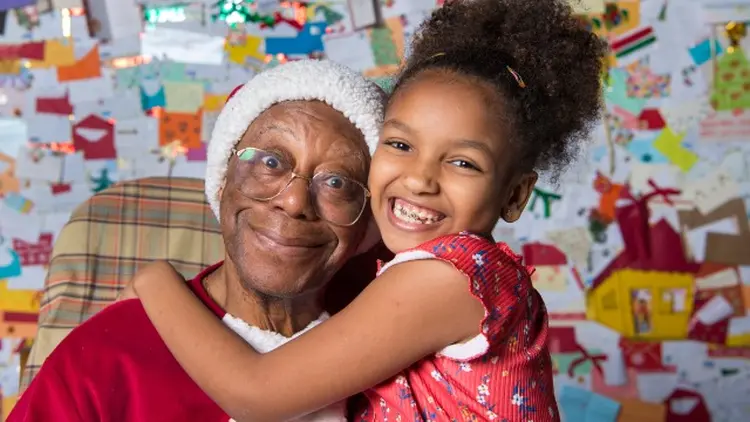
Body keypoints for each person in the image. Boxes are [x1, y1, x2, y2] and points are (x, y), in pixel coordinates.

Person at [125, 0, 607, 421]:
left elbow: (257, 394)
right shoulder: (451, 274)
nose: (419, 178)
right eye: (399, 144)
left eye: (463, 162)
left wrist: (155, 281)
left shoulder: (447, 279)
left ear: (515, 196)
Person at [8, 59, 388, 422]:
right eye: (270, 163)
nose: (293, 202)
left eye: (337, 183)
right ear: (222, 180)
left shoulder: (390, 352)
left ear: (365, 226)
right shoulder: (103, 357)